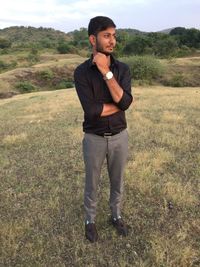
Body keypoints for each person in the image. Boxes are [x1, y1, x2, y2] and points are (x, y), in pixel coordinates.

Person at [74, 16, 133, 243]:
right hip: (94, 138)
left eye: (114, 35)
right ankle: (90, 220)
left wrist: (106, 72)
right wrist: (118, 103)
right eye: (106, 35)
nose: (112, 41)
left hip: (120, 136)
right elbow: (91, 111)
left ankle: (116, 215)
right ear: (92, 39)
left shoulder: (122, 69)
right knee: (92, 183)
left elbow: (126, 103)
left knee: (117, 181)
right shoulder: (81, 73)